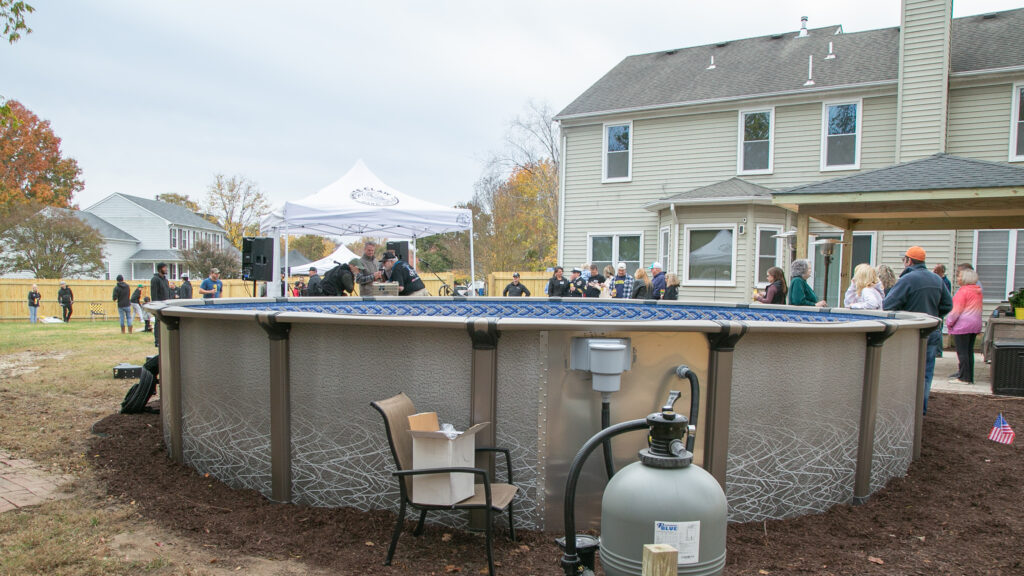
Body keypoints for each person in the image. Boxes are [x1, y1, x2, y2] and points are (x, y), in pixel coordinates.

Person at [882, 246, 953, 415]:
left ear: (909, 261)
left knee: (905, 372)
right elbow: (948, 305)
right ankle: (920, 411)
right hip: (932, 331)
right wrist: (933, 315)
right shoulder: (937, 279)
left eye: (904, 259)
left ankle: (904, 411)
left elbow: (888, 305)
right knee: (925, 373)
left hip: (910, 332)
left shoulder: (907, 280)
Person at [945, 268, 983, 385]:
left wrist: (949, 323)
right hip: (974, 325)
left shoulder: (963, 291)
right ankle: (969, 376)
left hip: (963, 325)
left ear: (966, 278)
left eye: (959, 276)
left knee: (962, 353)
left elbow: (955, 311)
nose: (958, 278)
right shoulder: (977, 291)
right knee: (969, 352)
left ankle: (963, 378)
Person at [151, 263, 171, 347]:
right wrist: (155, 305)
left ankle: (165, 339)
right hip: (159, 304)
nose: (166, 269)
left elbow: (168, 292)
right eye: (164, 268)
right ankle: (157, 341)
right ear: (160, 269)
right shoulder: (155, 279)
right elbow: (154, 293)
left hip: (167, 304)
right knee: (158, 322)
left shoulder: (165, 280)